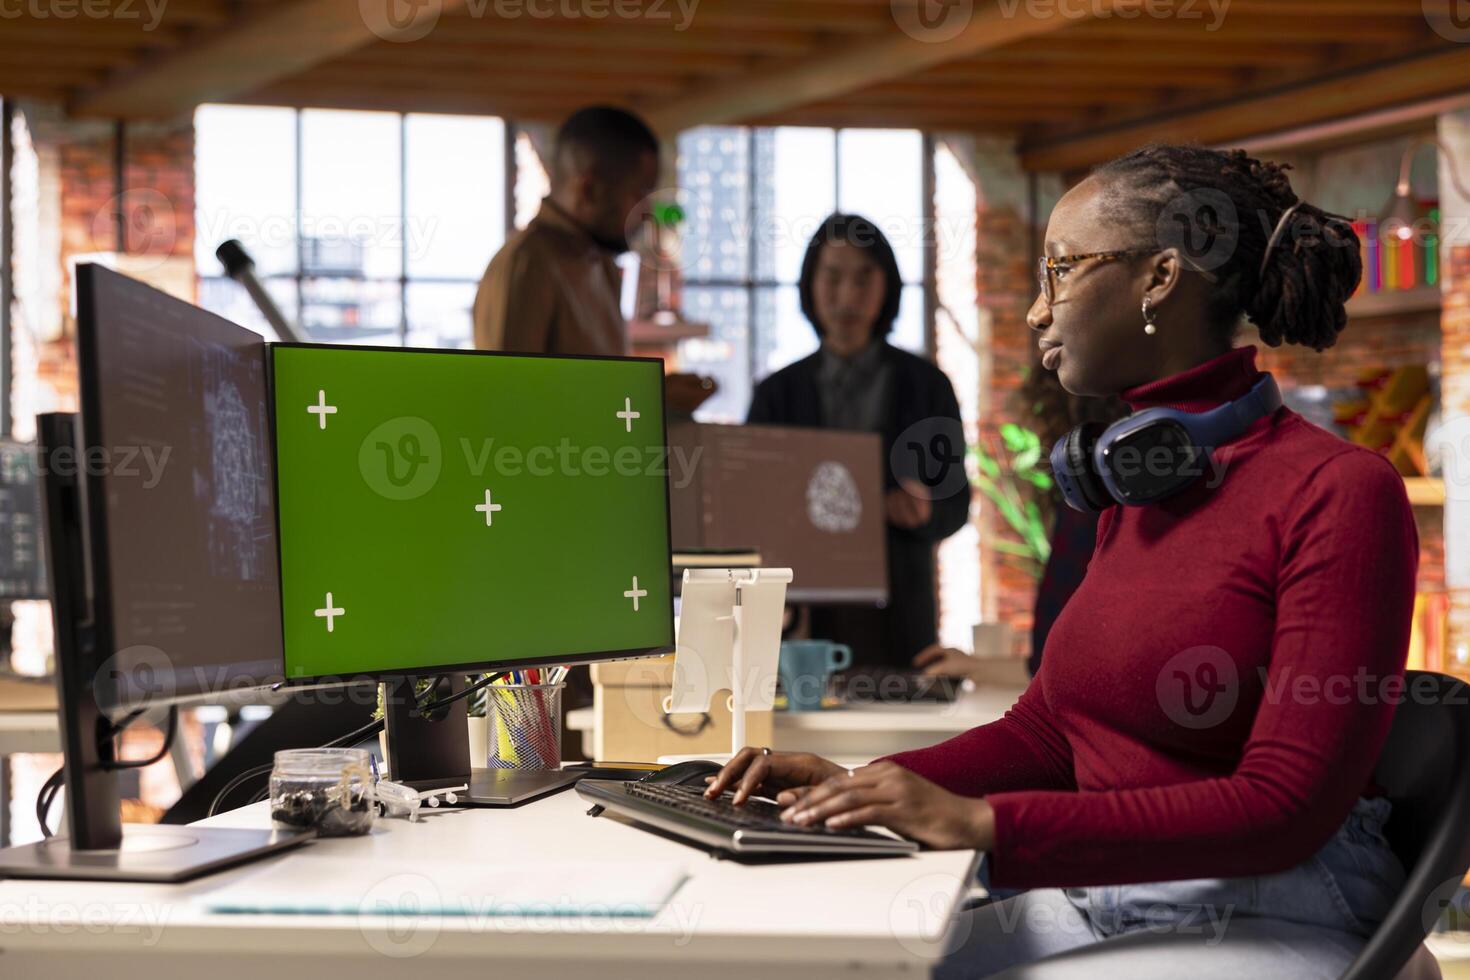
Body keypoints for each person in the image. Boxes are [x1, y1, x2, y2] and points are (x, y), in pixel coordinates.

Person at [708, 144, 1418, 977]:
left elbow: (1285, 809)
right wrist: (866, 782)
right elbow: (1049, 734)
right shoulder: (1139, 484)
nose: (1038, 313)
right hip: (1123, 890)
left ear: (1159, 278)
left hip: (1276, 899)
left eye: (1062, 271)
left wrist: (985, 828)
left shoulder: (1340, 491)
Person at [747, 213, 970, 668]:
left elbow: (957, 504)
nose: (847, 294)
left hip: (901, 616)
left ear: (887, 286)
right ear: (809, 284)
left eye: (864, 277)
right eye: (832, 276)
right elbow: (750, 510)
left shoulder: (928, 386)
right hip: (800, 615)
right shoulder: (776, 393)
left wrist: (926, 509)